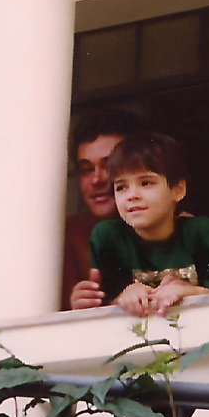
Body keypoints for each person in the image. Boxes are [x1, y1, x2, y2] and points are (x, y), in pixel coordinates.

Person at [69, 132, 209, 317]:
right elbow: (103, 310)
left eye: (146, 183)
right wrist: (114, 300)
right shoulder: (108, 237)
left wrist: (192, 292)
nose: (132, 195)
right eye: (121, 187)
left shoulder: (202, 233)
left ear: (178, 190)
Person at [60, 108, 148, 309]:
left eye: (110, 166)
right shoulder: (68, 235)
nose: (97, 179)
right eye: (86, 169)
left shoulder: (183, 228)